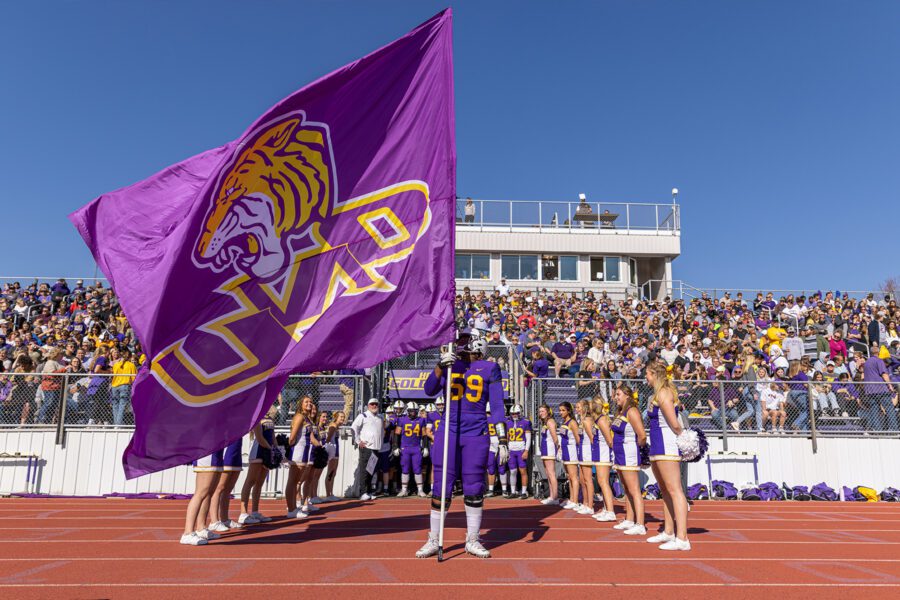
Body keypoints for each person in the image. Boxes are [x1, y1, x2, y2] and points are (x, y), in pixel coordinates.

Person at [416, 332, 506, 559]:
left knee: (474, 484)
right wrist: (439, 366)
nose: (459, 345)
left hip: (476, 431)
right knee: (441, 484)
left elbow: (496, 405)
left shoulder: (489, 368)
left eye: (464, 342)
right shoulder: (450, 364)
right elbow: (428, 390)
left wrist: (502, 438)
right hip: (449, 428)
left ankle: (472, 539)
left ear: (478, 346)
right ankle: (434, 539)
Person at [645, 362, 691, 550]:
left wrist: (686, 440)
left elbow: (675, 424)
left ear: (654, 374)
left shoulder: (664, 393)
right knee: (664, 490)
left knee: (675, 491)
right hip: (657, 446)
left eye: (647, 374)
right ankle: (669, 531)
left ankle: (683, 538)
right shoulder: (657, 394)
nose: (645, 378)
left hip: (667, 446)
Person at [610, 384, 646, 536]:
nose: (616, 397)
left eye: (618, 394)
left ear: (627, 395)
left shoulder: (632, 411)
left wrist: (637, 450)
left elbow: (642, 435)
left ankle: (640, 524)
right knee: (626, 490)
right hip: (620, 454)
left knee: (634, 490)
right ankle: (630, 519)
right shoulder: (620, 412)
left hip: (628, 453)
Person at [239, 405, 278, 524]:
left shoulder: (270, 419)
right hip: (258, 451)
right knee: (250, 481)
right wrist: (271, 449)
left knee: (260, 483)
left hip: (267, 451)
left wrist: (278, 450)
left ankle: (255, 512)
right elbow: (260, 438)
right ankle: (243, 513)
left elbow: (272, 437)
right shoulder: (257, 417)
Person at [182, 448, 223, 545]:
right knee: (201, 492)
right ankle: (187, 533)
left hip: (217, 451)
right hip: (207, 452)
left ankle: (201, 528)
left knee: (209, 493)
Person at [285, 395, 316, 517]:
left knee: (296, 481)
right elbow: (292, 437)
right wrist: (288, 450)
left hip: (304, 453)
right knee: (292, 481)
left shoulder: (307, 418)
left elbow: (311, 437)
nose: (309, 403)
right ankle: (291, 509)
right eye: (306, 401)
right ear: (301, 404)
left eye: (310, 401)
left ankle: (293, 507)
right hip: (297, 452)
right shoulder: (299, 417)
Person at [350, 398, 385, 501]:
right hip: (367, 448)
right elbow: (353, 428)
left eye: (376, 404)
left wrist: (381, 444)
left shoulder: (380, 417)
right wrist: (358, 441)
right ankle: (363, 492)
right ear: (368, 405)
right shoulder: (363, 416)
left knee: (371, 471)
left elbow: (382, 432)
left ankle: (369, 491)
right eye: (372, 404)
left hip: (376, 448)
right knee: (364, 471)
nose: (374, 406)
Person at [208, 437, 245, 533]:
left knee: (228, 488)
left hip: (237, 448)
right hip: (227, 447)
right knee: (220, 487)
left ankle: (224, 519)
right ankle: (214, 521)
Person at [590, 397, 617, 522]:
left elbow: (609, 440)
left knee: (603, 482)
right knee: (602, 482)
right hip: (599, 453)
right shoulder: (598, 420)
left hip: (603, 453)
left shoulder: (601, 420)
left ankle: (610, 511)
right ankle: (607, 508)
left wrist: (613, 454)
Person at [861, 344, 898, 431]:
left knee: (874, 411)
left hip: (870, 391)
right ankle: (894, 429)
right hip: (881, 389)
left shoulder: (866, 363)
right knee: (889, 409)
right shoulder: (879, 361)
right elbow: (884, 374)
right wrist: (890, 386)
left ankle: (877, 430)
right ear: (878, 352)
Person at [395, 401, 427, 497]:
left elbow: (424, 435)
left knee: (418, 469)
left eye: (415, 411)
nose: (413, 413)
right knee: (405, 469)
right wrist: (395, 446)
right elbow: (397, 434)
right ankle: (404, 490)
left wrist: (425, 447)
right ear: (407, 411)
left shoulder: (421, 420)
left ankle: (420, 490)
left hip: (416, 448)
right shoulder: (401, 420)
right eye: (411, 411)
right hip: (405, 448)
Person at [556, 401, 581, 510]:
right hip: (565, 451)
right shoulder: (564, 422)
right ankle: (571, 498)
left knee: (573, 476)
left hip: (571, 451)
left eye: (563, 410)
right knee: (569, 477)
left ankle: (575, 500)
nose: (561, 412)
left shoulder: (572, 423)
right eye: (560, 410)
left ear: (569, 411)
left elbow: (578, 439)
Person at [575, 399, 596, 515]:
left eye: (579, 407)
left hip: (587, 451)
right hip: (582, 451)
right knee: (582, 480)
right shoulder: (581, 420)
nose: (577, 410)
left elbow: (592, 438)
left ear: (585, 408)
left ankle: (590, 505)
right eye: (576, 407)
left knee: (588, 480)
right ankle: (584, 502)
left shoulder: (587, 420)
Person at [506, 404, 532, 499]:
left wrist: (526, 450)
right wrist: (506, 449)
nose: (514, 415)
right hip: (511, 449)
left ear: (520, 412)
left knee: (523, 471)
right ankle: (513, 491)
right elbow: (507, 437)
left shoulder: (526, 422)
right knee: (512, 471)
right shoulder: (508, 422)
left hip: (521, 449)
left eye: (516, 413)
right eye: (512, 414)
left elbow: (528, 438)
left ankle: (524, 491)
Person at [485, 404, 510, 497]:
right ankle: (503, 490)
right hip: (500, 443)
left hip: (492, 444)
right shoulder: (505, 420)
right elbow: (507, 434)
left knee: (492, 468)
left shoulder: (485, 420)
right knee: (501, 468)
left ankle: (492, 490)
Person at [537, 404, 559, 505]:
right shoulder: (544, 422)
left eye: (543, 411)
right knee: (548, 474)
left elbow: (555, 437)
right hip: (545, 450)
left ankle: (555, 497)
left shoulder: (550, 421)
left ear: (548, 411)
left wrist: (558, 449)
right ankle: (551, 496)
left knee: (551, 473)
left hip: (550, 450)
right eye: (540, 411)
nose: (541, 413)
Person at [323, 411, 346, 502]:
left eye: (343, 417)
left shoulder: (337, 426)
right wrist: (328, 451)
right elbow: (328, 439)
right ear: (336, 417)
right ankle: (328, 494)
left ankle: (331, 493)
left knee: (333, 472)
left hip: (335, 451)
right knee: (330, 472)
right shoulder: (333, 425)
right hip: (332, 451)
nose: (342, 419)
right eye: (341, 417)